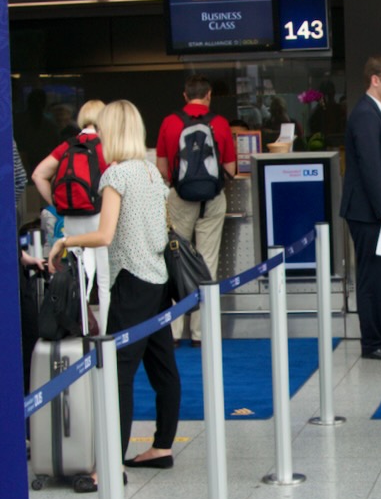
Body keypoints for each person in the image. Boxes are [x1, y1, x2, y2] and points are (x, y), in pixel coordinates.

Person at [53, 100, 180, 478]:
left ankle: (109, 464)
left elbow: (105, 234)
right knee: (163, 367)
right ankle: (161, 446)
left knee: (119, 373)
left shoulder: (115, 176)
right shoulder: (151, 173)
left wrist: (66, 242)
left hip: (131, 283)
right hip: (158, 281)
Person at [155, 76, 238, 349]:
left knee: (176, 260)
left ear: (184, 94)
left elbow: (161, 166)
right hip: (212, 200)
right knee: (207, 263)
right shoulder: (220, 123)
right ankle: (202, 333)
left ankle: (175, 331)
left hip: (180, 199)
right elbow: (231, 169)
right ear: (209, 95)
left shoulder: (170, 122)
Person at [341, 55, 381, 360]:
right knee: (372, 281)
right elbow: (369, 167)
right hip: (369, 215)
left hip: (375, 214)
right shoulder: (366, 115)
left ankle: (380, 339)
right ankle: (372, 344)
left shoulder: (375, 113)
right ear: (375, 80)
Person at [32, 99, 109, 329]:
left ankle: (82, 328)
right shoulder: (103, 146)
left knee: (79, 275)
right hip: (99, 216)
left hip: (72, 219)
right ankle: (105, 333)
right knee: (104, 279)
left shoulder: (67, 146)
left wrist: (58, 204)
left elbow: (38, 175)